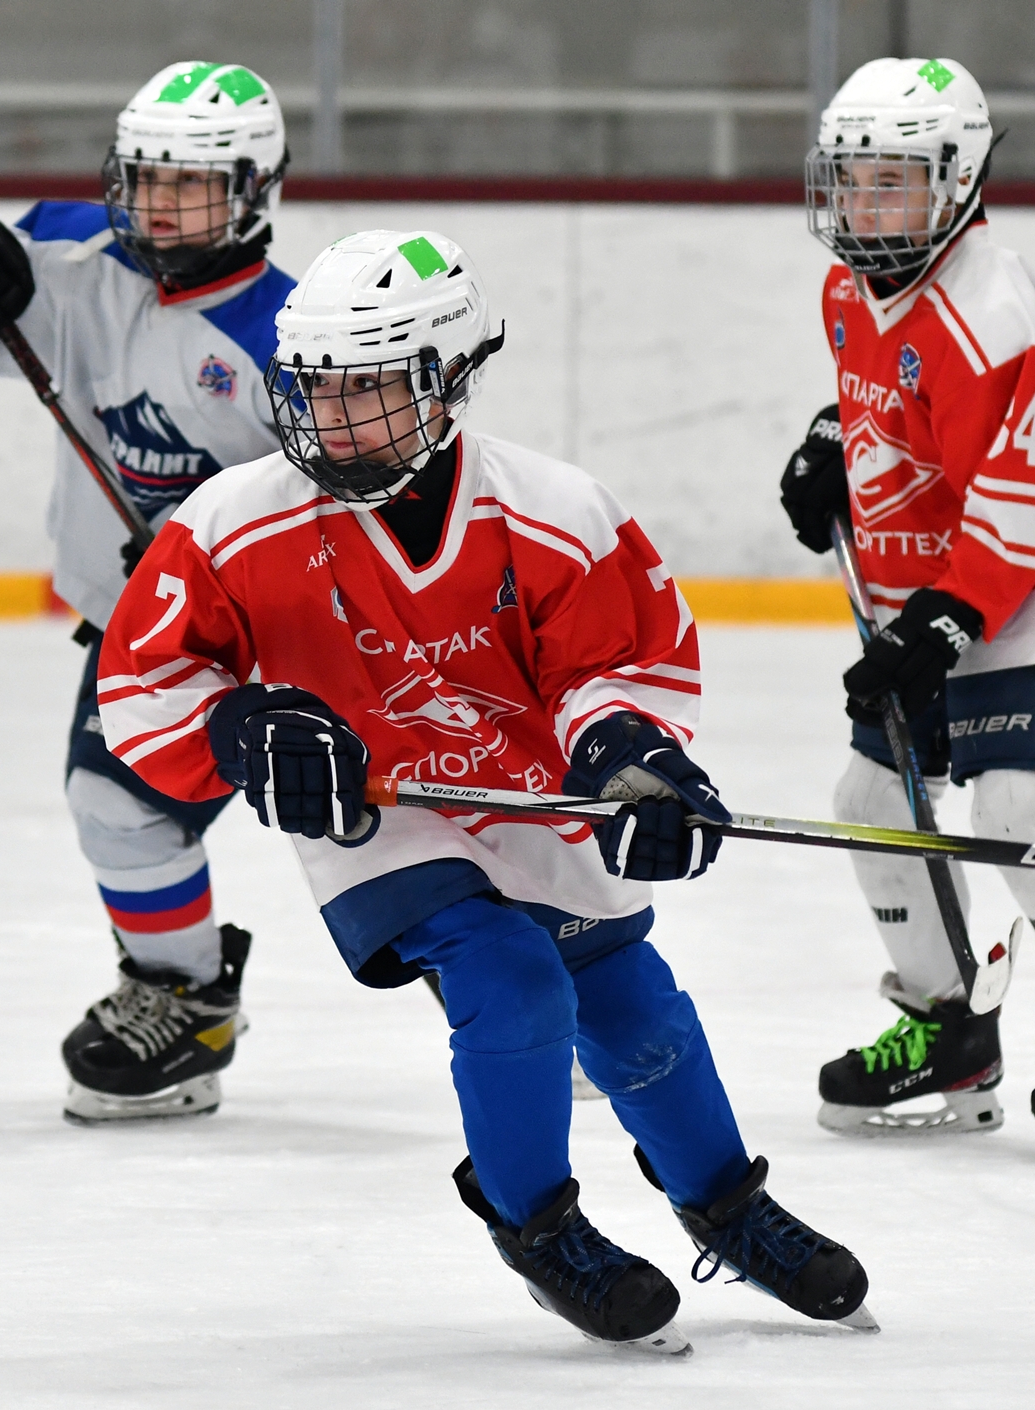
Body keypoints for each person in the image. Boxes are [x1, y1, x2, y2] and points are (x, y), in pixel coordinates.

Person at [95, 228, 875, 1351]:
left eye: (369, 389)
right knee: (510, 984)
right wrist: (241, 726)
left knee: (636, 1010)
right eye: (316, 388)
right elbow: (143, 682)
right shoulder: (232, 521)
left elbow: (621, 664)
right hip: (379, 813)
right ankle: (537, 1225)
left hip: (530, 795)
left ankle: (727, 1206)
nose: (335, 419)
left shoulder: (557, 511)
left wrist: (633, 762)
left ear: (450, 376)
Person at [0, 62, 297, 1124]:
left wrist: (222, 557)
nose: (159, 205)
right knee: (116, 806)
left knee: (406, 816)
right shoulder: (68, 248)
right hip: (147, 629)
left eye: (191, 183)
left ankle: (557, 974)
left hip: (292, 629)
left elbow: (353, 511)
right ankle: (186, 1002)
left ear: (254, 190)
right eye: (144, 177)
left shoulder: (288, 334)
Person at [779, 57, 1035, 1158]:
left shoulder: (995, 313)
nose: (865, 206)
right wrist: (829, 442)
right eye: (852, 182)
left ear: (956, 181)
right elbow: (889, 395)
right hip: (921, 584)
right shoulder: (849, 288)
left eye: (892, 182)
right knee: (872, 797)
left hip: (1022, 584)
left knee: (1019, 809)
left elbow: (1022, 501)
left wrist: (943, 623)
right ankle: (946, 1028)